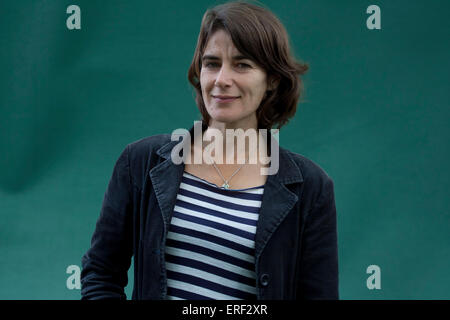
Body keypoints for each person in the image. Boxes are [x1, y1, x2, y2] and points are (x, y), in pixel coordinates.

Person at [80, 0, 338, 300]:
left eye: (242, 64)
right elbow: (100, 271)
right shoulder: (140, 162)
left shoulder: (311, 188)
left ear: (272, 80)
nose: (221, 80)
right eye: (212, 63)